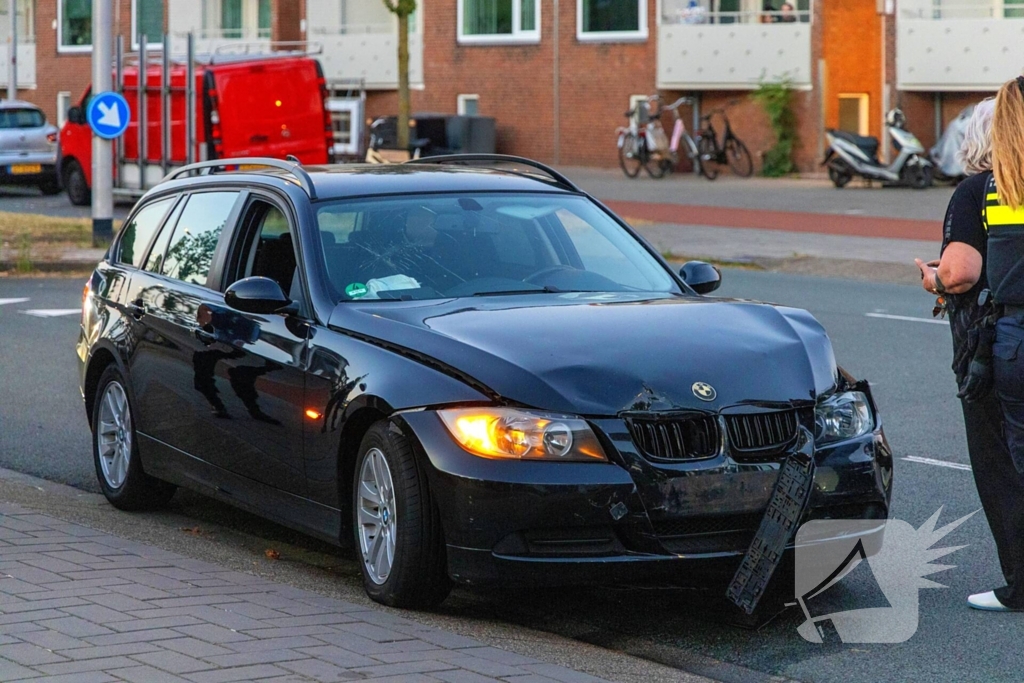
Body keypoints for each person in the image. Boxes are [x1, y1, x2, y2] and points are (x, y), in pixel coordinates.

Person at [953, 77, 1024, 611]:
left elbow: (967, 272)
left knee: (1008, 465)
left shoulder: (994, 189)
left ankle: (1020, 586)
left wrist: (934, 279)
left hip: (1007, 338)